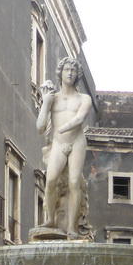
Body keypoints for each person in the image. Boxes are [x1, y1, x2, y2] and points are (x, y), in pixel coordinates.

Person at [37, 57, 92, 238]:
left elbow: (80, 118)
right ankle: (51, 219)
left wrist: (62, 129)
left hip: (76, 141)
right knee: (51, 181)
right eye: (67, 69)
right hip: (58, 144)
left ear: (77, 75)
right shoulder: (52, 99)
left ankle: (71, 227)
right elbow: (40, 127)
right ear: (60, 72)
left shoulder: (84, 98)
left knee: (74, 183)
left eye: (73, 70)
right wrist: (45, 103)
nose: (70, 73)